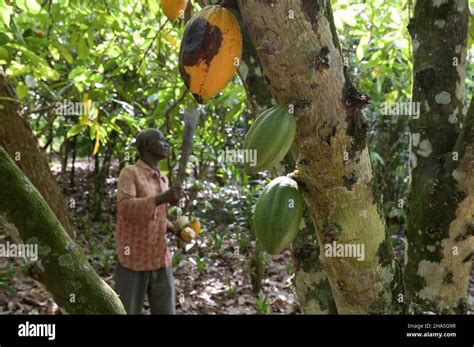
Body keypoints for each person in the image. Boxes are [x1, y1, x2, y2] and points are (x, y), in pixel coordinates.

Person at [114, 129, 184, 314]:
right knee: (127, 311)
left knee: (166, 310)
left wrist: (175, 229)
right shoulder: (130, 173)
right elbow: (125, 207)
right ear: (146, 145)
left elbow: (158, 216)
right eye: (162, 140)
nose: (167, 144)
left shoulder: (163, 178)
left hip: (160, 257)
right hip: (134, 258)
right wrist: (161, 198)